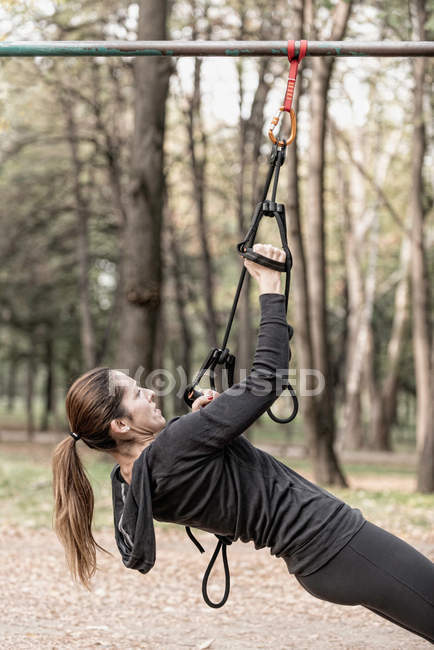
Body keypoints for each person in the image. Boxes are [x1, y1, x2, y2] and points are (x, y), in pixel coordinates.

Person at [52, 244, 434, 643]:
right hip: (336, 543)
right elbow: (267, 377)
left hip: (317, 562)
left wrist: (206, 423)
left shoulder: (137, 483)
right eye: (135, 393)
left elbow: (211, 474)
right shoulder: (176, 447)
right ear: (120, 425)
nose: (149, 392)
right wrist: (271, 285)